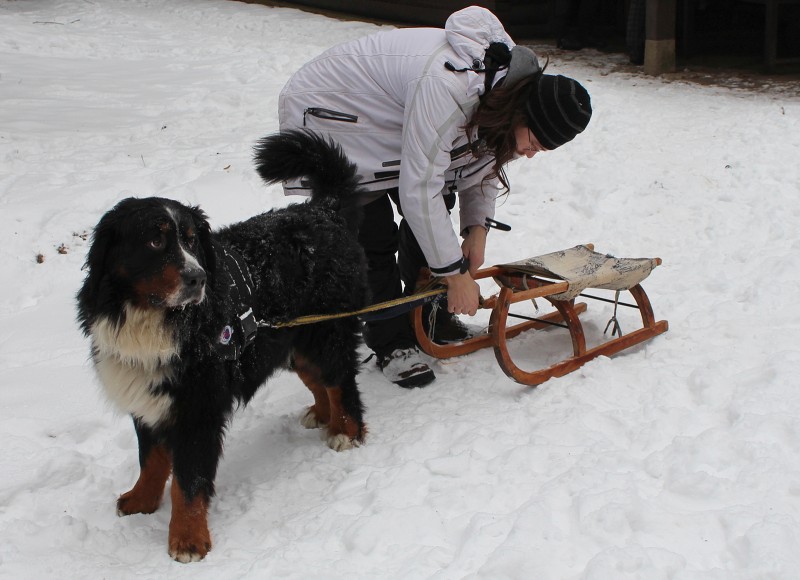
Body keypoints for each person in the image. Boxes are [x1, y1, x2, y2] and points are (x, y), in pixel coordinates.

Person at [278, 6, 592, 388]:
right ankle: (392, 342)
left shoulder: (506, 92)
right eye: (535, 143)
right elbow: (419, 188)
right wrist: (454, 274)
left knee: (435, 213)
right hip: (335, 117)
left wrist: (477, 229)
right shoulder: (451, 85)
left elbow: (482, 160)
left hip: (392, 119)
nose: (530, 154)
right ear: (520, 116)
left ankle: (429, 314)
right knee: (370, 236)